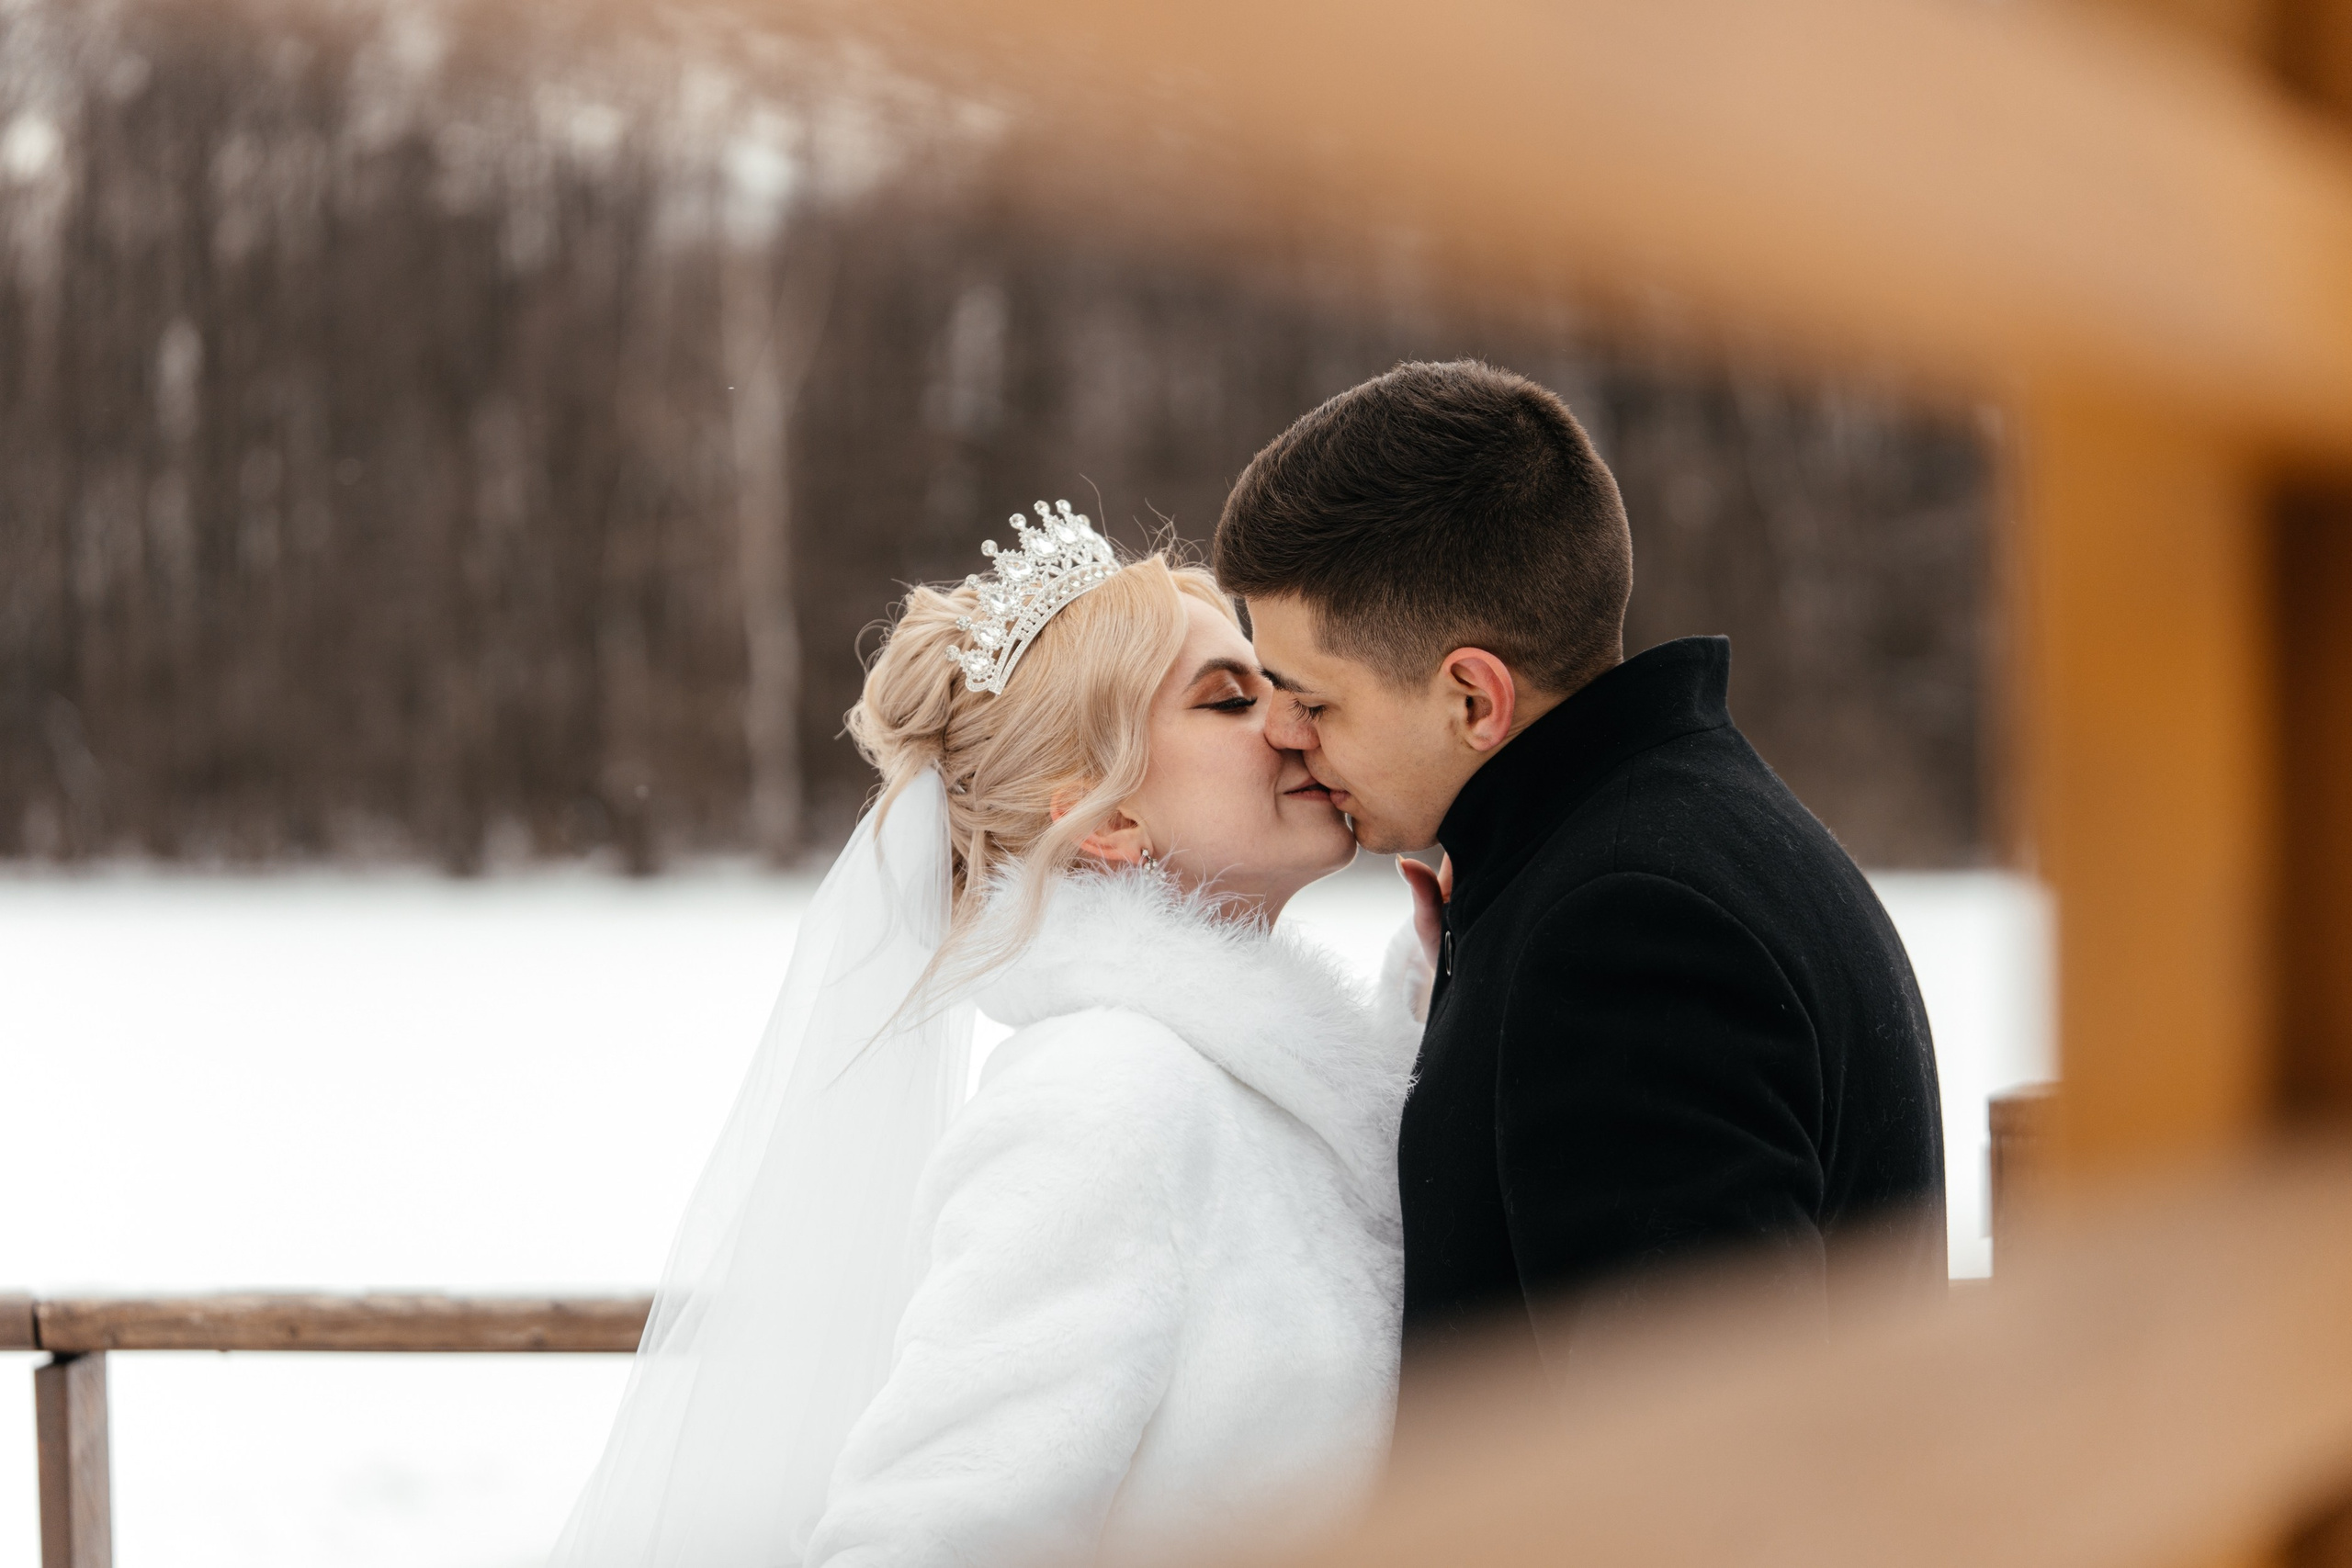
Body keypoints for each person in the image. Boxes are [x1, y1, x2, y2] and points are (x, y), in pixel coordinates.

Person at [550, 502, 1420, 1568]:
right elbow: (931, 1535)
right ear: (1101, 820)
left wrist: (1441, 966)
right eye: (1230, 699)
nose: (1293, 723)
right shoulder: (1103, 1103)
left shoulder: (1252, 1083)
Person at [1212, 361, 1947, 1394]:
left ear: (1473, 699)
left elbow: (1685, 1472)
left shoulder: (1625, 930)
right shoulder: (1679, 838)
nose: (1283, 736)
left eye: (1315, 702)